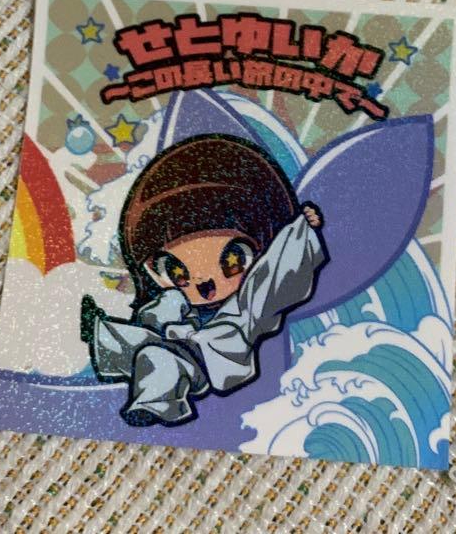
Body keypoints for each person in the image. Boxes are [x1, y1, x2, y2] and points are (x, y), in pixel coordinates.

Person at [81, 134, 327, 426]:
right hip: (178, 336)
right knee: (158, 321)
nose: (203, 283)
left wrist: (301, 230)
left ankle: (155, 405)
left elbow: (279, 271)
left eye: (232, 260)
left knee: (158, 358)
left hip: (210, 357)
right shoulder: (177, 301)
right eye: (177, 271)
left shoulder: (249, 303)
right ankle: (100, 335)